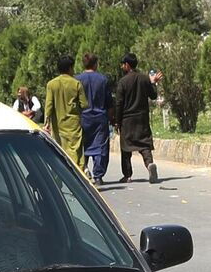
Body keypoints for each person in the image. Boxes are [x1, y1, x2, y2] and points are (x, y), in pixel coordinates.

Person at [112, 52, 159, 183]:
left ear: (127, 65)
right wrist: (153, 83)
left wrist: (117, 121)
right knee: (144, 145)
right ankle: (150, 164)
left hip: (127, 120)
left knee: (126, 147)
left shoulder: (123, 82)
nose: (122, 67)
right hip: (142, 118)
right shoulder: (144, 79)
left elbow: (119, 103)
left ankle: (127, 175)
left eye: (123, 64)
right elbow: (153, 96)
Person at [77, 52, 115, 185]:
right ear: (95, 64)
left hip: (83, 117)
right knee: (101, 147)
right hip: (100, 117)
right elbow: (109, 102)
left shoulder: (77, 79)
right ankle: (98, 175)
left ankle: (83, 170)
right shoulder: (103, 80)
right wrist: (111, 118)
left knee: (83, 145)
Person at [42, 55, 86, 167]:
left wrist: (46, 122)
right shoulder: (76, 83)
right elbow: (84, 104)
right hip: (73, 124)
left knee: (60, 151)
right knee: (76, 151)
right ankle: (78, 175)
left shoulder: (51, 84)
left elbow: (49, 106)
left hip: (58, 125)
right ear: (70, 68)